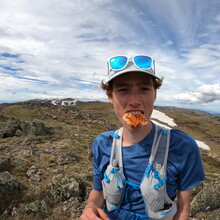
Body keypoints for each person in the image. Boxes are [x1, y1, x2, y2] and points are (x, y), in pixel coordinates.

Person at [80, 55, 205, 220]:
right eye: (123, 90)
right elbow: (97, 193)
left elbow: (183, 210)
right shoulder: (103, 144)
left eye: (144, 89)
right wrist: (90, 207)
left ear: (155, 94)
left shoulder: (182, 146)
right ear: (110, 96)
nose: (134, 101)